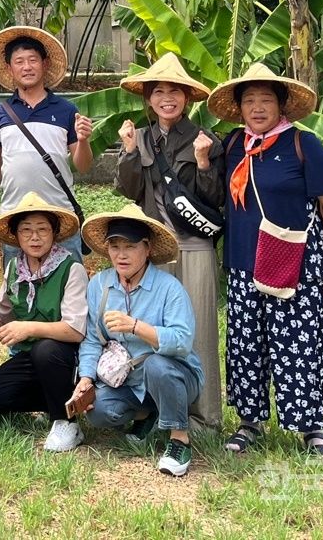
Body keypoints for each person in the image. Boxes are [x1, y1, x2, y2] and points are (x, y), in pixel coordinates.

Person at [207, 63, 323, 466]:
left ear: (282, 105)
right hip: (242, 264)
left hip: (296, 264)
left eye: (265, 100)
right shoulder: (233, 144)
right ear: (239, 107)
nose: (256, 107)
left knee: (299, 345)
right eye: (249, 100)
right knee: (246, 344)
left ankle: (311, 427)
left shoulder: (304, 145)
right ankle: (249, 421)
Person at [115, 53, 226, 432]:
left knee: (198, 331)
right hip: (154, 248)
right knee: (149, 331)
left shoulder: (205, 139)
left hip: (194, 247)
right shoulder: (140, 138)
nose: (167, 98)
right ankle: (155, 413)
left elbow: (214, 200)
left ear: (187, 98)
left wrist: (204, 162)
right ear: (148, 98)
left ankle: (204, 417)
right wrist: (129, 152)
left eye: (175, 91)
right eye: (158, 91)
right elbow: (129, 190)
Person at [70, 205, 203, 477]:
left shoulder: (169, 288)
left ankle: (179, 440)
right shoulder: (101, 285)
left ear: (147, 248)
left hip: (176, 375)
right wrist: (85, 377)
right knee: (99, 413)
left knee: (157, 365)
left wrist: (136, 327)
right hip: (128, 381)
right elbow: (94, 339)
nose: (121, 255)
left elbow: (182, 341)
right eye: (114, 246)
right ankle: (148, 414)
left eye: (129, 246)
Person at [0, 193, 89, 452]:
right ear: (16, 236)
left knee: (46, 348)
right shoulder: (15, 267)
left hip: (66, 356)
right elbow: (1, 316)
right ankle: (54, 401)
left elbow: (74, 330)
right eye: (26, 230)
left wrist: (27, 328)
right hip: (31, 357)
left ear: (55, 233)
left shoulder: (71, 269)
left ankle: (66, 421)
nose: (34, 237)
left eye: (42, 230)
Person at [0, 26, 94, 260]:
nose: (27, 67)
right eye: (19, 61)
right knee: (17, 289)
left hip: (61, 216)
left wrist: (83, 141)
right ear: (10, 68)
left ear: (45, 64)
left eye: (33, 60)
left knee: (68, 287)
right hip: (14, 217)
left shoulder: (66, 111)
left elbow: (82, 165)